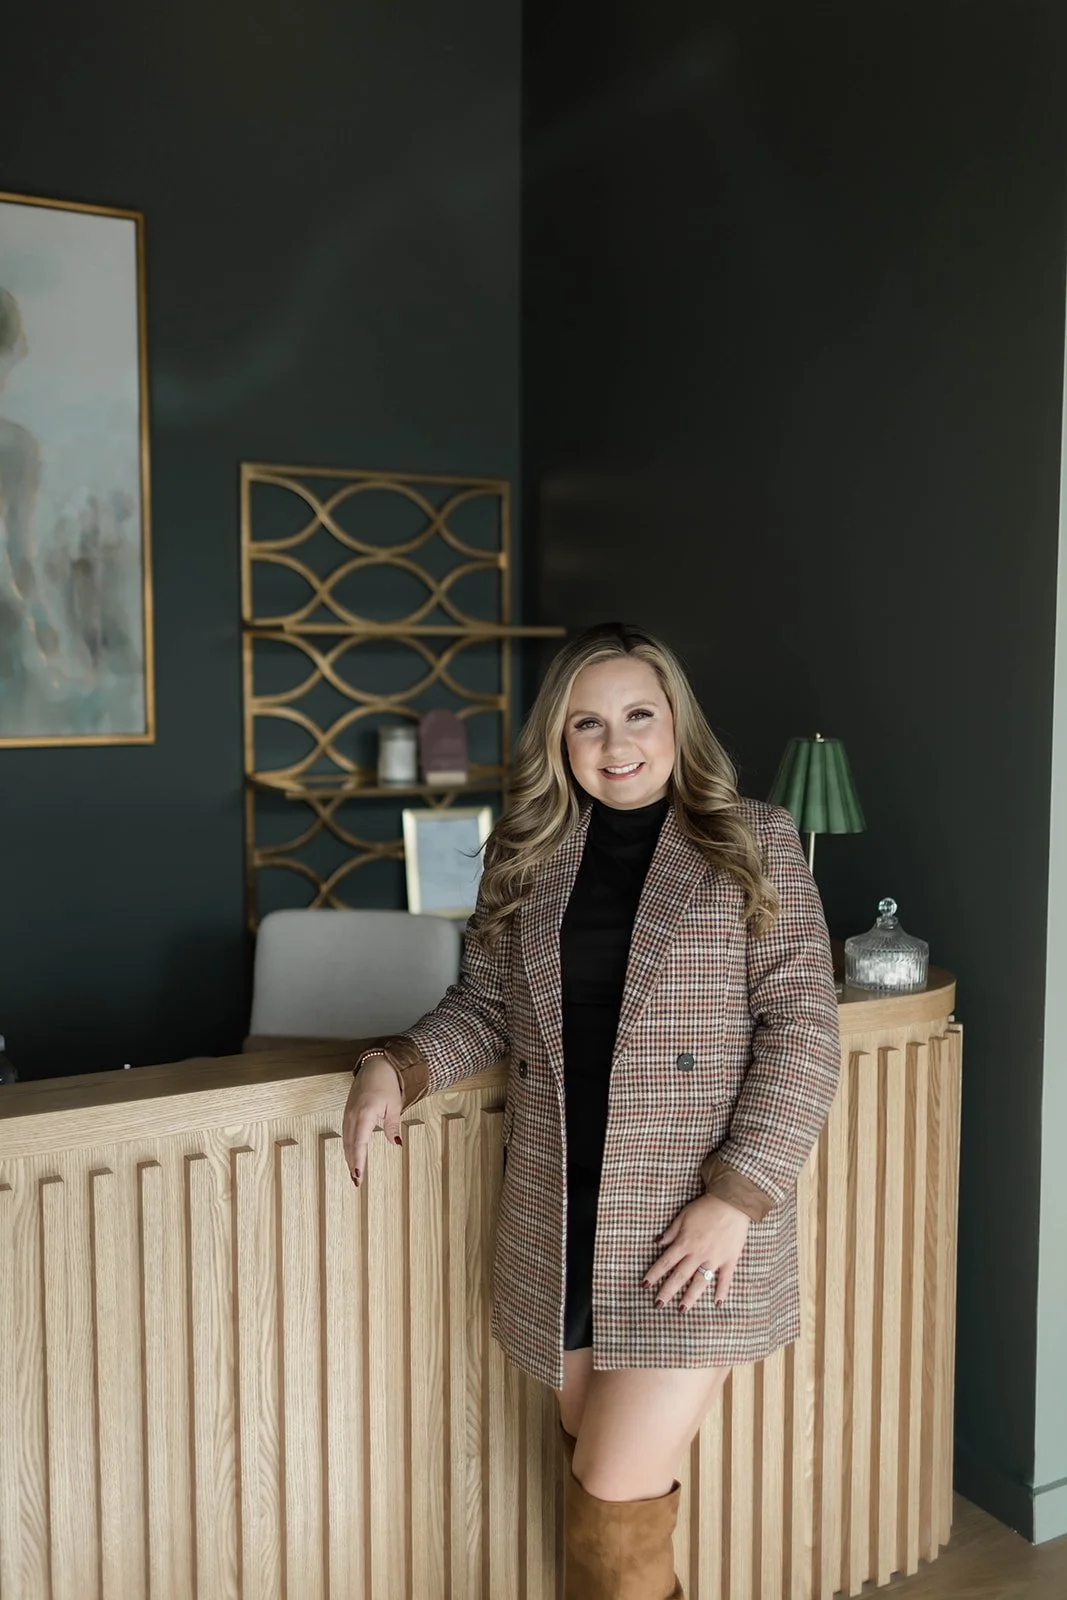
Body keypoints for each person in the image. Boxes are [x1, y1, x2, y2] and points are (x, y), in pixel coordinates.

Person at [342, 621, 841, 1600]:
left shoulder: (753, 838)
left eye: (636, 715)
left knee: (612, 1498)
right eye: (586, 724)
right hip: (559, 1215)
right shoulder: (526, 853)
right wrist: (392, 1068)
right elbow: (485, 1010)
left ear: (675, 722)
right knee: (598, 1481)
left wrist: (735, 1198)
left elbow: (802, 1031)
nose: (616, 744)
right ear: (557, 741)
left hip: (686, 1222)